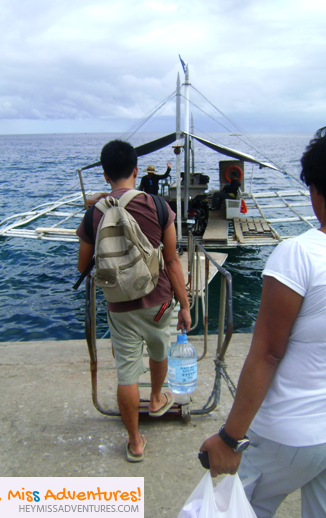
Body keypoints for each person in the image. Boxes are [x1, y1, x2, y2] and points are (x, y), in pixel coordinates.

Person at [200, 126, 326, 518]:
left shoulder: (299, 254)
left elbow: (267, 353)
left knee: (236, 509)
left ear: (316, 188)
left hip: (290, 431)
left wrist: (229, 437)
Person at [77, 141, 191, 462]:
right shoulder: (157, 207)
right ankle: (156, 398)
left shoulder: (94, 214)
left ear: (104, 174)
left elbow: (82, 265)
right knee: (158, 352)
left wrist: (96, 209)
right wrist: (184, 304)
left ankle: (135, 442)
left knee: (127, 373)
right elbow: (172, 261)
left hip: (119, 306)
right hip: (158, 303)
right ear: (136, 171)